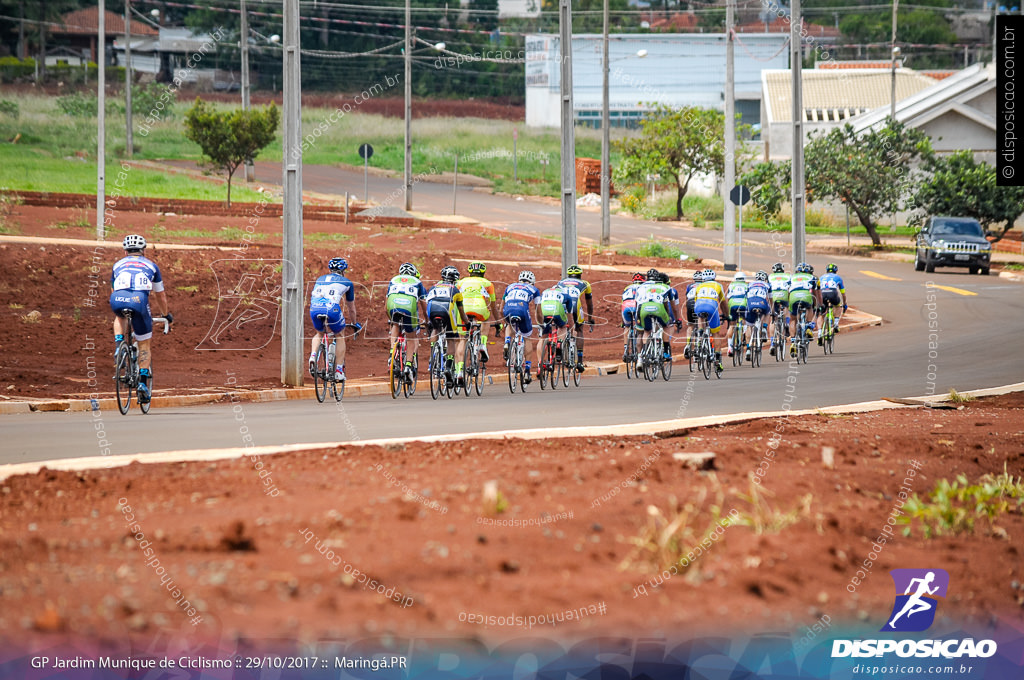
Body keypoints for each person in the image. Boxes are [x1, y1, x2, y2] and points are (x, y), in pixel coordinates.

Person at [110, 234, 172, 404]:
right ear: (143, 250)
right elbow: (161, 296)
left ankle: (119, 346)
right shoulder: (151, 266)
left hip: (117, 299)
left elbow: (113, 290)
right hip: (139, 300)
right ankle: (143, 384)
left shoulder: (117, 265)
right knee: (144, 343)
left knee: (119, 315)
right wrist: (166, 314)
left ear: (125, 251)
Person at [308, 257, 359, 382]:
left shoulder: (320, 279)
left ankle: (313, 356)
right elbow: (351, 308)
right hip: (331, 309)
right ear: (343, 271)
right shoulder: (347, 282)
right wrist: (354, 323)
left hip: (315, 308)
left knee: (319, 333)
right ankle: (338, 371)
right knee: (339, 335)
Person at [425, 265, 470, 384]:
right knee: (451, 339)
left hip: (432, 309)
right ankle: (449, 367)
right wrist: (467, 323)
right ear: (455, 279)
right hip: (447, 310)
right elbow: (461, 311)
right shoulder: (455, 290)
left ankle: (433, 354)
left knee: (435, 328)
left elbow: (427, 302)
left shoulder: (433, 286)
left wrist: (428, 321)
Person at [386, 262, 428, 380]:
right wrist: (427, 320)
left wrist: (390, 318)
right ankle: (408, 365)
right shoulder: (418, 283)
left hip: (392, 305)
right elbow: (424, 306)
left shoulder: (394, 279)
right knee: (412, 337)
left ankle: (391, 353)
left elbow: (387, 303)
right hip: (409, 309)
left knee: (395, 324)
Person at [501, 270, 542, 384]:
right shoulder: (534, 290)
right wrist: (541, 323)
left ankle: (507, 341)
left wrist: (504, 321)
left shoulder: (510, 287)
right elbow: (538, 311)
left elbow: (501, 308)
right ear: (532, 282)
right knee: (527, 337)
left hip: (508, 308)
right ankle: (528, 371)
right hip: (522, 310)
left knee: (509, 324)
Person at [457, 261, 500, 366]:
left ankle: (459, 371)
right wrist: (498, 322)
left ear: (469, 272)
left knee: (462, 339)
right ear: (483, 273)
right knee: (486, 318)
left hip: (464, 308)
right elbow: (493, 306)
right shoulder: (488, 283)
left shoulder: (460, 282)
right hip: (479, 307)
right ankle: (483, 344)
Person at [635, 268, 681, 363]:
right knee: (667, 326)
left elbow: (637, 303)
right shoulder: (665, 287)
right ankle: (666, 350)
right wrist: (676, 319)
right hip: (658, 308)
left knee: (647, 331)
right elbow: (673, 307)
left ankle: (644, 352)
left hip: (642, 309)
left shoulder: (641, 287)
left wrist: (638, 318)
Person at [557, 265, 595, 371]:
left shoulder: (560, 282)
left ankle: (560, 344)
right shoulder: (585, 283)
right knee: (579, 329)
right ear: (580, 275)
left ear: (568, 275)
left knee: (562, 327)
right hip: (575, 305)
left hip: (561, 305)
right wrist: (590, 318)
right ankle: (580, 361)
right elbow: (589, 303)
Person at [692, 268, 728, 372]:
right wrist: (726, 315)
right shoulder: (718, 285)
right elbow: (723, 303)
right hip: (712, 306)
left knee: (700, 316)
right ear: (714, 278)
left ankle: (699, 338)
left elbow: (696, 301)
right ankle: (717, 361)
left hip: (699, 306)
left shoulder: (699, 286)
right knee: (715, 333)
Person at [536, 283, 572, 371]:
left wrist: (540, 325)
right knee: (563, 326)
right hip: (557, 310)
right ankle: (559, 343)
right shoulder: (565, 295)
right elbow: (570, 317)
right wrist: (571, 327)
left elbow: (538, 309)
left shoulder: (544, 292)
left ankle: (540, 363)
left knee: (542, 338)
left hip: (544, 310)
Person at [788, 262, 820, 357]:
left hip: (793, 297)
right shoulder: (813, 278)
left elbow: (788, 290)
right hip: (805, 295)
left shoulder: (792, 277)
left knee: (793, 319)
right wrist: (818, 305)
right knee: (810, 308)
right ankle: (809, 327)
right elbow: (816, 293)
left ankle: (793, 342)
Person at [744, 270, 772, 361]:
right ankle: (764, 328)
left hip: (750, 303)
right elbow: (770, 299)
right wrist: (772, 310)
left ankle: (748, 349)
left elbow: (745, 297)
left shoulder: (750, 284)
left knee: (749, 326)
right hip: (761, 302)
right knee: (768, 312)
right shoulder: (767, 285)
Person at [817, 262, 847, 344]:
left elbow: (817, 291)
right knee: (837, 306)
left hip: (822, 294)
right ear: (836, 271)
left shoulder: (821, 277)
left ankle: (819, 333)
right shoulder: (838, 278)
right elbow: (843, 293)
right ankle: (836, 323)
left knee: (821, 314)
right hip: (833, 293)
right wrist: (844, 304)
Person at [767, 262, 791, 357]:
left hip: (774, 296)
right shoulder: (788, 276)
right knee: (787, 307)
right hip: (784, 295)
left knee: (773, 319)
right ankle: (787, 324)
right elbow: (790, 288)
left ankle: (772, 343)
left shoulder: (770, 277)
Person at [725, 272, 749, 357]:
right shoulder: (747, 285)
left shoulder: (731, 285)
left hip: (733, 304)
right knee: (746, 321)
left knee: (732, 325)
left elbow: (728, 298)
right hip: (743, 304)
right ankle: (745, 334)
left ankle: (730, 347)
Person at [683, 269, 703, 360]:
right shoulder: (704, 285)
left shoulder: (689, 286)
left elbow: (687, 298)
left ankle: (688, 345)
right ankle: (698, 345)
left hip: (690, 303)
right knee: (702, 324)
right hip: (700, 303)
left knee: (691, 325)